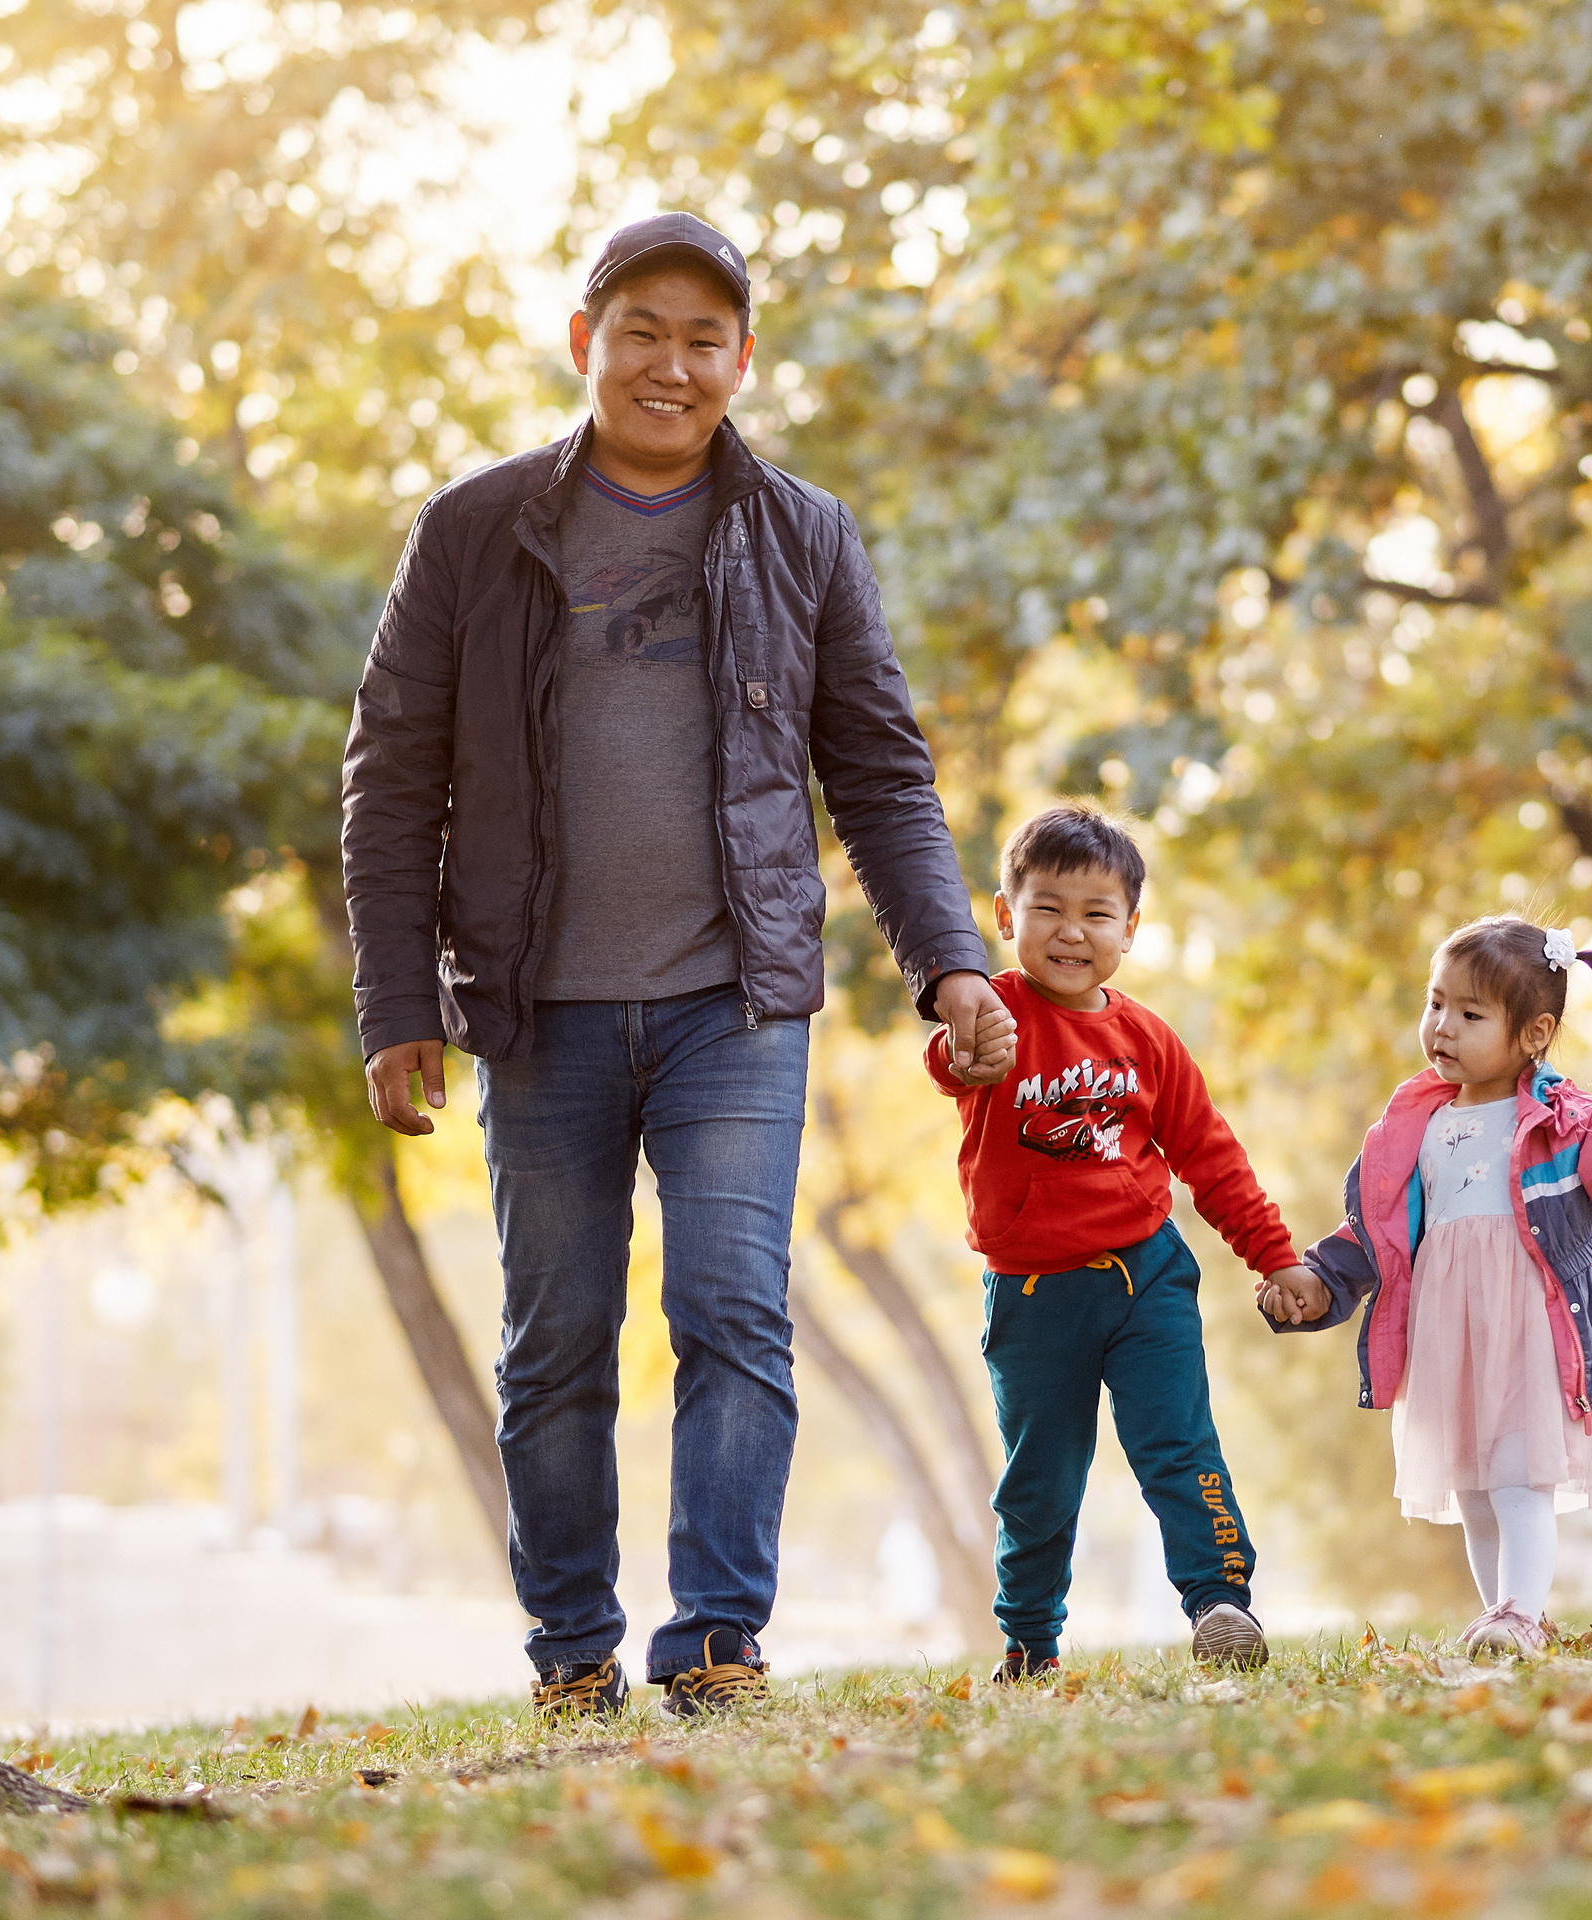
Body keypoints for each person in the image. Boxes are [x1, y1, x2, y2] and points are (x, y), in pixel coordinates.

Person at [340, 212, 1014, 1719]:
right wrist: (400, 1005)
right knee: (557, 1338)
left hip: (736, 1000)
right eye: (642, 329)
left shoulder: (805, 533)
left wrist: (953, 965)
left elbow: (882, 775)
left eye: (705, 339)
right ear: (584, 342)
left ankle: (715, 1636)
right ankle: (573, 1649)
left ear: (742, 361)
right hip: (537, 1010)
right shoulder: (474, 528)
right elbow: (391, 778)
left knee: (734, 1311)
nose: (671, 363)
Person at [923, 805, 1314, 1679]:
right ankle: (1028, 1639)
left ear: (1130, 929)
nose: (1071, 932)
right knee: (1040, 1482)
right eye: (1048, 909)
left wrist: (1275, 1256)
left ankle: (1221, 1603)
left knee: (1179, 1442)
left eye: (1097, 914)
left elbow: (1212, 1159)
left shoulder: (1148, 1042)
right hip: (1032, 1298)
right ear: (1004, 915)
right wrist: (963, 1040)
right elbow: (950, 1060)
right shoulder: (995, 1012)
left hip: (1146, 1280)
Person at [1258, 916, 1592, 1656]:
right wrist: (1321, 1282)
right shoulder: (1409, 1126)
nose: (1442, 1027)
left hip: (1531, 1323)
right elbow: (1377, 1232)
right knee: (1477, 1490)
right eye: (1436, 1004)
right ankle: (1505, 1621)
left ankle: (1521, 1612)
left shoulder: (1560, 1117)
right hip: (1450, 1334)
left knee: (1519, 1479)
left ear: (1533, 1034)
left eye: (1470, 1013)